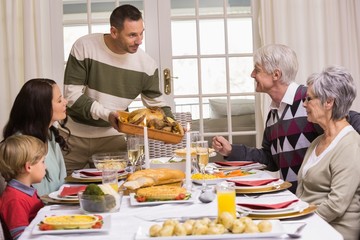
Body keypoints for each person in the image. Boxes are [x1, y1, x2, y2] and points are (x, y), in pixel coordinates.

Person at [62, 4, 173, 175]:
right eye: (132, 35)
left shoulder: (147, 65)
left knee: (114, 193)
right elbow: (72, 96)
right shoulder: (84, 46)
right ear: (114, 32)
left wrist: (172, 127)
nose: (139, 40)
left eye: (141, 32)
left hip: (112, 138)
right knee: (61, 189)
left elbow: (156, 104)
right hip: (72, 136)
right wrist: (107, 114)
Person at [212, 44, 322, 193]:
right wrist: (231, 150)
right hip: (293, 199)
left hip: (317, 202)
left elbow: (346, 124)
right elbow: (270, 160)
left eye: (257, 70)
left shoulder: (309, 99)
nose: (252, 74)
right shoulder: (273, 114)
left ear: (276, 75)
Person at [296, 66, 360, 240]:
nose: (304, 104)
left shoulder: (350, 144)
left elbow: (336, 205)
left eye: (309, 98)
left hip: (333, 231)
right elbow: (302, 191)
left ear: (329, 102)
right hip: (310, 224)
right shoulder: (318, 142)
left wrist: (297, 222)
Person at [2, 78, 69, 196]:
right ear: (43, 107)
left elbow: (62, 181)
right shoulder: (22, 145)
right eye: (59, 101)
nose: (65, 102)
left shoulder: (51, 135)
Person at [0, 135, 47, 240]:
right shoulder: (14, 199)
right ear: (28, 167)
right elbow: (21, 237)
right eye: (43, 162)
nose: (45, 166)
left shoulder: (25, 191)